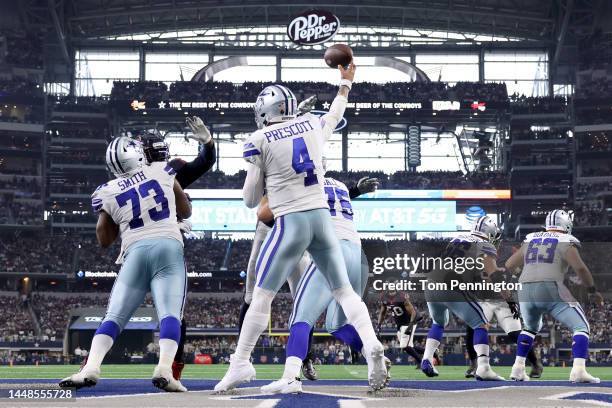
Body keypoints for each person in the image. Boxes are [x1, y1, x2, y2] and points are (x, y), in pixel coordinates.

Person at [215, 62, 387, 393]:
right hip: (323, 221)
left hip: (291, 223)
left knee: (263, 294)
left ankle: (240, 364)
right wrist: (345, 83)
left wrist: (263, 170)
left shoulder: (259, 138)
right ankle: (370, 342)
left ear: (265, 110)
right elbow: (335, 115)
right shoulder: (309, 125)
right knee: (344, 292)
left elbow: (251, 200)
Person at [59, 136, 192, 392]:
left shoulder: (107, 191)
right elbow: (184, 210)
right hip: (167, 245)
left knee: (113, 317)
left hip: (135, 251)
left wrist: (112, 214)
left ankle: (91, 368)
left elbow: (105, 239)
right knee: (170, 315)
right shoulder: (161, 170)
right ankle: (165, 369)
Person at [260, 170, 385, 394]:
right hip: (357, 254)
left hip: (330, 250)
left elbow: (273, 217)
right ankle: (370, 348)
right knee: (336, 324)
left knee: (300, 318)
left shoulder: (300, 181)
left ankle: (290, 377)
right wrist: (356, 189)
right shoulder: (341, 186)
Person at [136, 117, 216, 383]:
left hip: (160, 245)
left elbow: (203, 164)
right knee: (121, 308)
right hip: (142, 244)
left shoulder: (170, 173)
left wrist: (208, 144)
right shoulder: (131, 177)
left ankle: (172, 370)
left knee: (171, 313)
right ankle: (92, 364)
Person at [503, 210, 604, 383]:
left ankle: (518, 369)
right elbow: (580, 269)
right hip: (549, 287)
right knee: (581, 326)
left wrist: (524, 276)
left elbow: (509, 264)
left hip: (525, 288)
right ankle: (579, 370)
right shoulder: (565, 240)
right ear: (566, 225)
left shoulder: (531, 239)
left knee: (529, 328)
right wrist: (592, 291)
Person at [421, 215, 504, 381]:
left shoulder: (457, 238)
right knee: (481, 322)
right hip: (452, 284)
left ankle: (427, 359)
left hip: (431, 283)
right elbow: (491, 271)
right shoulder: (485, 244)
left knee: (438, 323)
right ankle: (484, 367)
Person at [378, 292, 435, 367]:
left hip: (408, 323)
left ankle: (421, 362)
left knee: (404, 346)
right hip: (399, 325)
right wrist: (379, 324)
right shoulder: (384, 298)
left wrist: (410, 325)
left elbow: (413, 312)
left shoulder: (401, 297)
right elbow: (382, 313)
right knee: (409, 347)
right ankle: (432, 353)